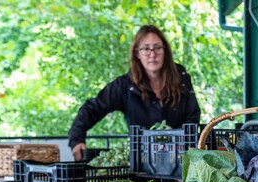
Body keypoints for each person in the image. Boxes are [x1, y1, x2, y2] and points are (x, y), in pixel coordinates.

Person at [68, 25, 201, 161]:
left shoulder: (182, 78)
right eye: (146, 48)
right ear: (137, 53)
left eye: (157, 48)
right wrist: (76, 139)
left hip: (180, 161)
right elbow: (93, 108)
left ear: (165, 50)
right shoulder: (125, 86)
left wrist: (181, 147)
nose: (152, 54)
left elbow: (193, 114)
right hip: (142, 163)